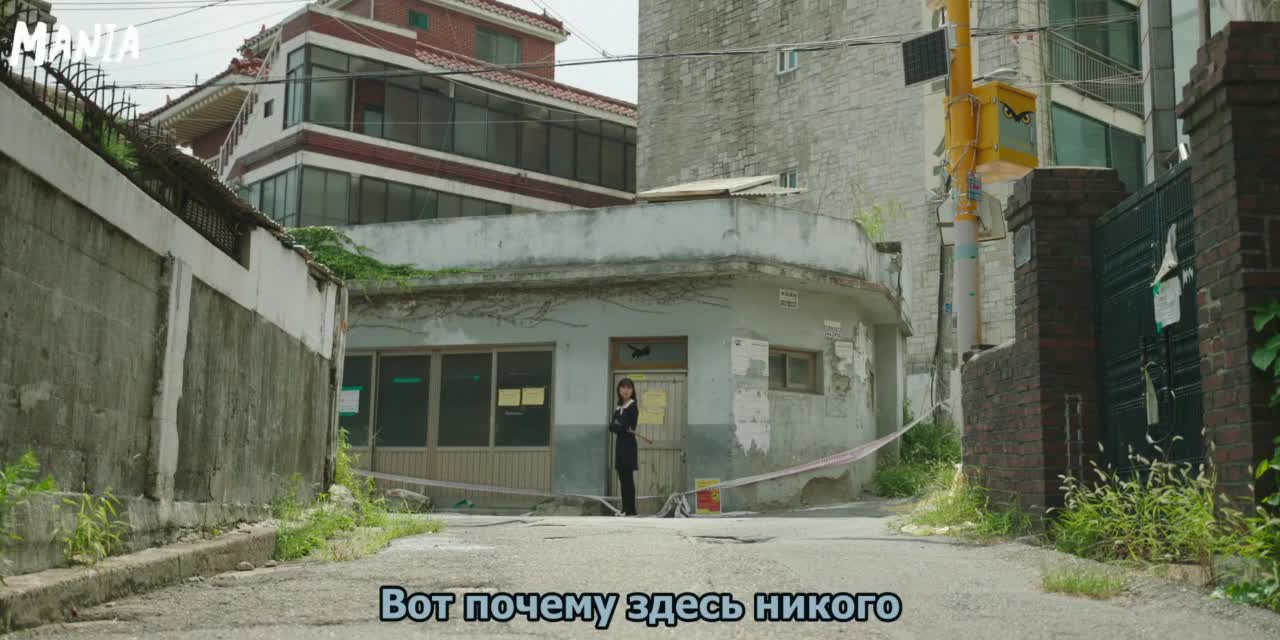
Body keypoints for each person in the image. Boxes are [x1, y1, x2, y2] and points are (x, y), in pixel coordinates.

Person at [609, 378, 640, 516]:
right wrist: (619, 425)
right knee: (622, 477)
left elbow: (628, 426)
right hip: (620, 444)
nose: (626, 390)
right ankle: (625, 508)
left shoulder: (633, 406)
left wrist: (618, 425)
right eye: (623, 387)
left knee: (628, 478)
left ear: (632, 390)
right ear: (619, 390)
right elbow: (612, 426)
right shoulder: (619, 406)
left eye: (629, 387)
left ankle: (631, 510)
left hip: (628, 445)